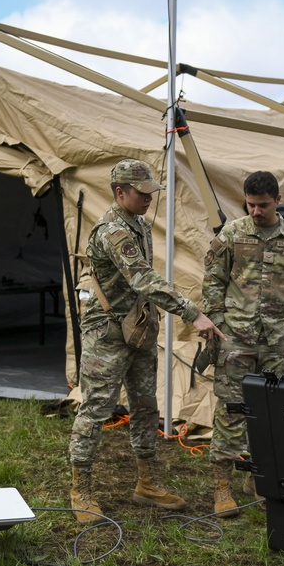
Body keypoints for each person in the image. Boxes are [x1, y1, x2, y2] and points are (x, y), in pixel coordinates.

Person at [69, 158, 224, 524]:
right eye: (142, 193)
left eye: (151, 192)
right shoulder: (113, 231)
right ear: (120, 192)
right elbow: (144, 280)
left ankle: (147, 483)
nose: (149, 199)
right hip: (107, 332)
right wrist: (193, 313)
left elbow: (144, 283)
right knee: (95, 408)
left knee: (144, 406)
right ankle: (81, 489)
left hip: (136, 327)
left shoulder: (137, 223)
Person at [202, 170, 284, 516]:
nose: (255, 211)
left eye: (262, 205)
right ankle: (223, 486)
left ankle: (261, 477)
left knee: (271, 414)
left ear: (278, 201)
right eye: (250, 205)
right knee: (231, 411)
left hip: (276, 344)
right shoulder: (233, 235)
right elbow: (213, 282)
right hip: (236, 340)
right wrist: (219, 325)